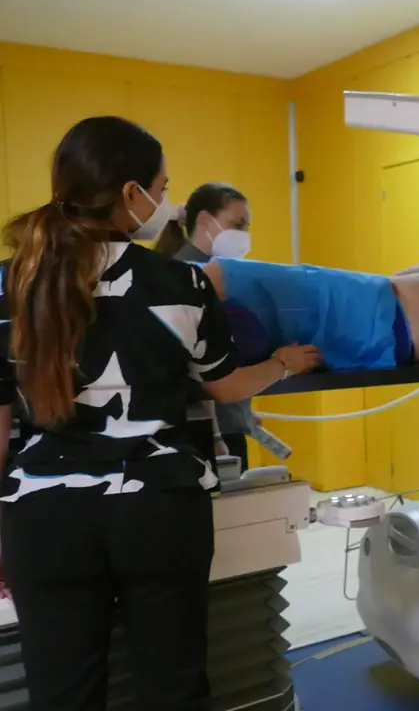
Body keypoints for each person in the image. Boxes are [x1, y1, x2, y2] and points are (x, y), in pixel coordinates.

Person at [0, 116, 322, 710]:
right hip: (158, 509)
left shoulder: (11, 284)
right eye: (162, 188)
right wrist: (282, 363)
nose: (166, 204)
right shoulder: (182, 284)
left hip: (44, 517)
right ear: (131, 194)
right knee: (173, 688)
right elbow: (225, 386)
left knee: (61, 697)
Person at [197, 249, 419, 372]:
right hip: (398, 327)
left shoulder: (209, 279)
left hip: (389, 308)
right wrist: (277, 367)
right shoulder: (208, 286)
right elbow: (223, 387)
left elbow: (381, 283)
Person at [155, 183, 257, 470]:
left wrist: (242, 414)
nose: (244, 235)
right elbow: (194, 363)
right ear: (204, 221)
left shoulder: (217, 272)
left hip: (225, 422)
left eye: (246, 227)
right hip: (204, 431)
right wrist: (215, 435)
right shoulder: (187, 276)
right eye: (237, 224)